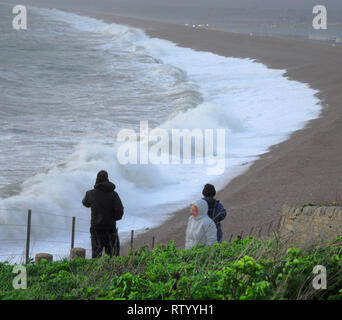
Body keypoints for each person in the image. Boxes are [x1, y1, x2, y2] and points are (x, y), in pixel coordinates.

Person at [82, 170, 124, 258]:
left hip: (96, 230)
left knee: (96, 258)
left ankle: (97, 272)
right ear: (107, 179)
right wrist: (111, 218)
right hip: (110, 230)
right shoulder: (114, 194)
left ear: (97, 179)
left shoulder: (90, 193)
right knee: (113, 258)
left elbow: (85, 203)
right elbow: (119, 212)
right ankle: (111, 272)